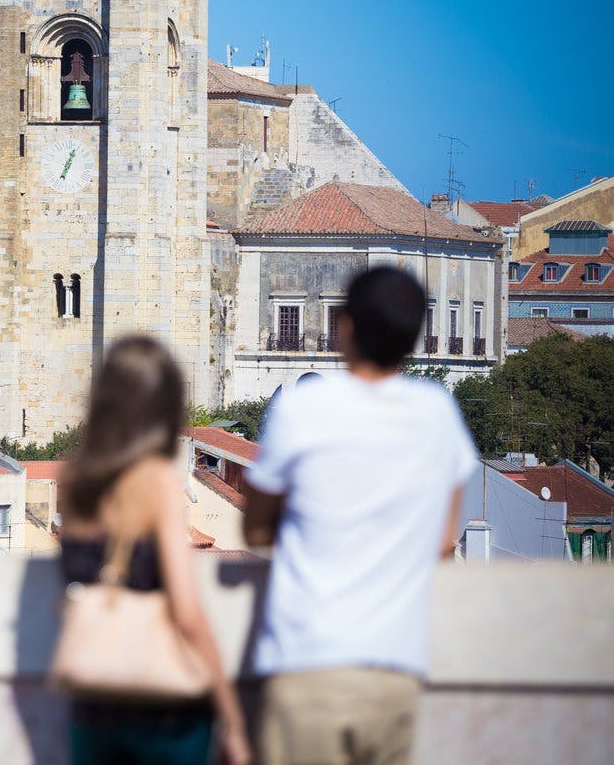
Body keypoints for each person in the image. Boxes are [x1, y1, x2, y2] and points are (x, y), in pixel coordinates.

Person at [244, 266, 478, 765]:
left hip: (308, 663)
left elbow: (255, 526)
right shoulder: (438, 411)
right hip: (395, 668)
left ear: (343, 326)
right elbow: (443, 540)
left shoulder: (302, 408)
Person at [59, 335, 250, 765]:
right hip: (162, 711)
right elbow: (186, 612)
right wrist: (232, 717)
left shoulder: (73, 483)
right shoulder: (158, 481)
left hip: (93, 705)